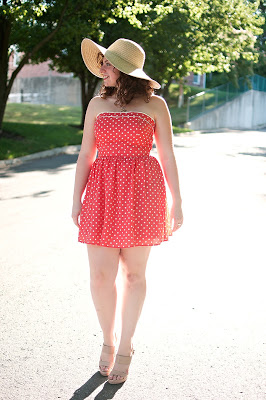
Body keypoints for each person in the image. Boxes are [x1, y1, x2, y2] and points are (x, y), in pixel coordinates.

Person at [71, 38, 183, 385]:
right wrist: (76, 199)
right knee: (101, 276)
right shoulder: (96, 104)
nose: (102, 68)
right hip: (103, 191)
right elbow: (86, 153)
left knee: (134, 275)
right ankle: (108, 338)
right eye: (103, 62)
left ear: (123, 68)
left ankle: (127, 345)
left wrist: (177, 200)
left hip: (143, 194)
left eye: (107, 63)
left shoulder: (155, 104)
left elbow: (167, 155)